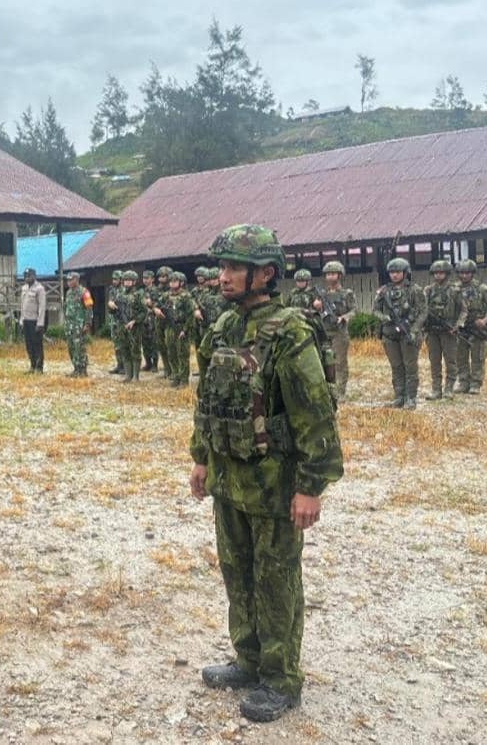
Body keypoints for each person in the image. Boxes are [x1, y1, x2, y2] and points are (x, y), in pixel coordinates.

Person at [190, 224, 343, 724]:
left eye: (235, 267)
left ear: (266, 273)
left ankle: (280, 679)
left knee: (276, 580)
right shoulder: (223, 328)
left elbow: (315, 412)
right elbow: (207, 399)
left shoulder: (290, 332)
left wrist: (311, 486)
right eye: (223, 266)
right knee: (237, 571)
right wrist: (201, 457)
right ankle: (248, 659)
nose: (224, 276)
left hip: (275, 485)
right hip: (229, 480)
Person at [373, 257, 426, 408]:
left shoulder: (414, 290)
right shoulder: (384, 291)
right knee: (396, 367)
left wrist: (415, 330)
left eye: (397, 272)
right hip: (390, 334)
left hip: (408, 333)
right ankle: (399, 396)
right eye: (392, 272)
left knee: (410, 367)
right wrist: (385, 318)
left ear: (405, 272)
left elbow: (423, 312)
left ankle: (411, 398)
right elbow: (375, 310)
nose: (394, 275)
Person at [421, 259, 463, 400]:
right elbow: (421, 309)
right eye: (436, 273)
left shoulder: (455, 290)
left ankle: (449, 388)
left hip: (448, 331)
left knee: (450, 360)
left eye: (441, 273)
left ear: (447, 273)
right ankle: (436, 389)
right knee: (434, 361)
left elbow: (463, 310)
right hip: (432, 331)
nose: (438, 275)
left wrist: (457, 326)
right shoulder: (428, 290)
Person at [454, 259, 487, 394]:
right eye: (461, 273)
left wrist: (485, 320)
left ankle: (476, 383)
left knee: (478, 356)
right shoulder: (454, 289)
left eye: (467, 273)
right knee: (460, 357)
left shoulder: (482, 288)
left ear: (472, 273)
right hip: (461, 327)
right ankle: (463, 382)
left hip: (477, 327)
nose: (464, 276)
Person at [317, 261, 357, 400]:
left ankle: (340, 391)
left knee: (340, 362)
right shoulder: (322, 294)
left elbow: (354, 310)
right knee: (324, 362)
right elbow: (316, 312)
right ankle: (328, 390)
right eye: (328, 274)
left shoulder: (347, 293)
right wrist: (317, 307)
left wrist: (344, 317)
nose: (330, 277)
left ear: (340, 275)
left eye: (333, 274)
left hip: (340, 332)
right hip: (325, 332)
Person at [157, 271, 195, 387]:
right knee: (171, 353)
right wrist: (157, 310)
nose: (172, 284)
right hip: (169, 328)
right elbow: (155, 305)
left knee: (182, 354)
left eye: (175, 281)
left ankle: (184, 380)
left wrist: (185, 329)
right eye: (171, 281)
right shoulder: (166, 295)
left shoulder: (186, 296)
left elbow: (191, 314)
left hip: (181, 327)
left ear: (181, 282)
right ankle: (176, 376)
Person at [109, 270, 147, 382]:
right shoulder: (120, 295)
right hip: (122, 326)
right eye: (125, 280)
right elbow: (114, 312)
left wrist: (134, 321)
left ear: (134, 281)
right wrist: (111, 307)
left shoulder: (138, 295)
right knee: (124, 350)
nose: (127, 282)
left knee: (135, 351)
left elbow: (144, 312)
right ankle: (128, 376)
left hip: (134, 327)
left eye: (129, 280)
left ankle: (136, 376)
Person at [193, 267, 225, 377]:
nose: (213, 281)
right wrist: (196, 309)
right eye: (210, 279)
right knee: (204, 352)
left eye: (215, 279)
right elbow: (195, 302)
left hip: (220, 327)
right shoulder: (206, 292)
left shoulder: (225, 292)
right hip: (206, 326)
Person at [63, 271, 93, 377]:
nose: (69, 282)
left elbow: (89, 308)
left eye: (71, 280)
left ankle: (83, 370)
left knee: (80, 347)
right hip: (70, 325)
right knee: (71, 347)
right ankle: (76, 369)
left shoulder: (84, 292)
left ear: (77, 280)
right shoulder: (68, 293)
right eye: (68, 280)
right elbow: (66, 308)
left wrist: (88, 323)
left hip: (79, 324)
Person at [19, 267, 47, 373]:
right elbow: (22, 306)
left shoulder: (39, 289)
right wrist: (21, 320)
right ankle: (32, 365)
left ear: (34, 276)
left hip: (35, 321)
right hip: (26, 320)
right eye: (25, 276)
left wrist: (40, 323)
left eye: (29, 276)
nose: (27, 278)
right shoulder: (24, 288)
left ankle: (39, 367)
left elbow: (42, 307)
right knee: (29, 344)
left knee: (37, 344)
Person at [140, 269, 160, 372]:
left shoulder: (155, 291)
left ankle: (155, 365)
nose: (145, 280)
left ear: (152, 279)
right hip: (144, 320)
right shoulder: (142, 291)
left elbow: (159, 304)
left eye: (147, 278)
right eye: (144, 278)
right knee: (145, 342)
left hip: (153, 319)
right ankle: (148, 363)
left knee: (154, 342)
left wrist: (150, 303)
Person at [106, 270, 125, 375]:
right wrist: (110, 303)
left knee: (123, 344)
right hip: (114, 321)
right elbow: (110, 301)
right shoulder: (112, 290)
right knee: (116, 344)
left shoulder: (124, 290)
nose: (114, 281)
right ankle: (119, 365)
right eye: (113, 279)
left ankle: (125, 366)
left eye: (116, 279)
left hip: (122, 321)